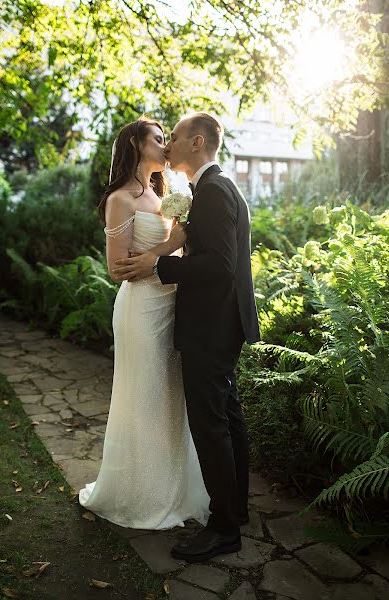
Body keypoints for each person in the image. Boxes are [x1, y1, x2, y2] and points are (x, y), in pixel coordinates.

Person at [113, 112, 260, 562]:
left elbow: (218, 265)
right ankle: (236, 509)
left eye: (173, 137)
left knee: (210, 422)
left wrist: (160, 266)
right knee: (228, 415)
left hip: (211, 327)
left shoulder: (213, 191)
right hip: (221, 323)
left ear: (197, 143)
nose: (169, 144)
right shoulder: (214, 188)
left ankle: (223, 529)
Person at [78, 116, 210, 530]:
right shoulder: (121, 198)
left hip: (173, 306)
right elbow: (117, 269)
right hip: (141, 310)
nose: (165, 144)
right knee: (146, 396)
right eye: (158, 138)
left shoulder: (163, 196)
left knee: (171, 399)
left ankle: (174, 488)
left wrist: (174, 249)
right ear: (136, 143)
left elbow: (171, 256)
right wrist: (168, 248)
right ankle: (141, 494)